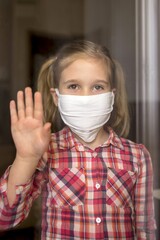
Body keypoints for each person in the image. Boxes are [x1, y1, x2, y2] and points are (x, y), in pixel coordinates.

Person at [0, 40, 156, 239]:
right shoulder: (45, 151)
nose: (86, 97)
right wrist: (25, 158)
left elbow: (146, 229)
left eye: (98, 87)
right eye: (73, 86)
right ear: (57, 97)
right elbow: (5, 217)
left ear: (111, 96)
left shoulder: (138, 156)